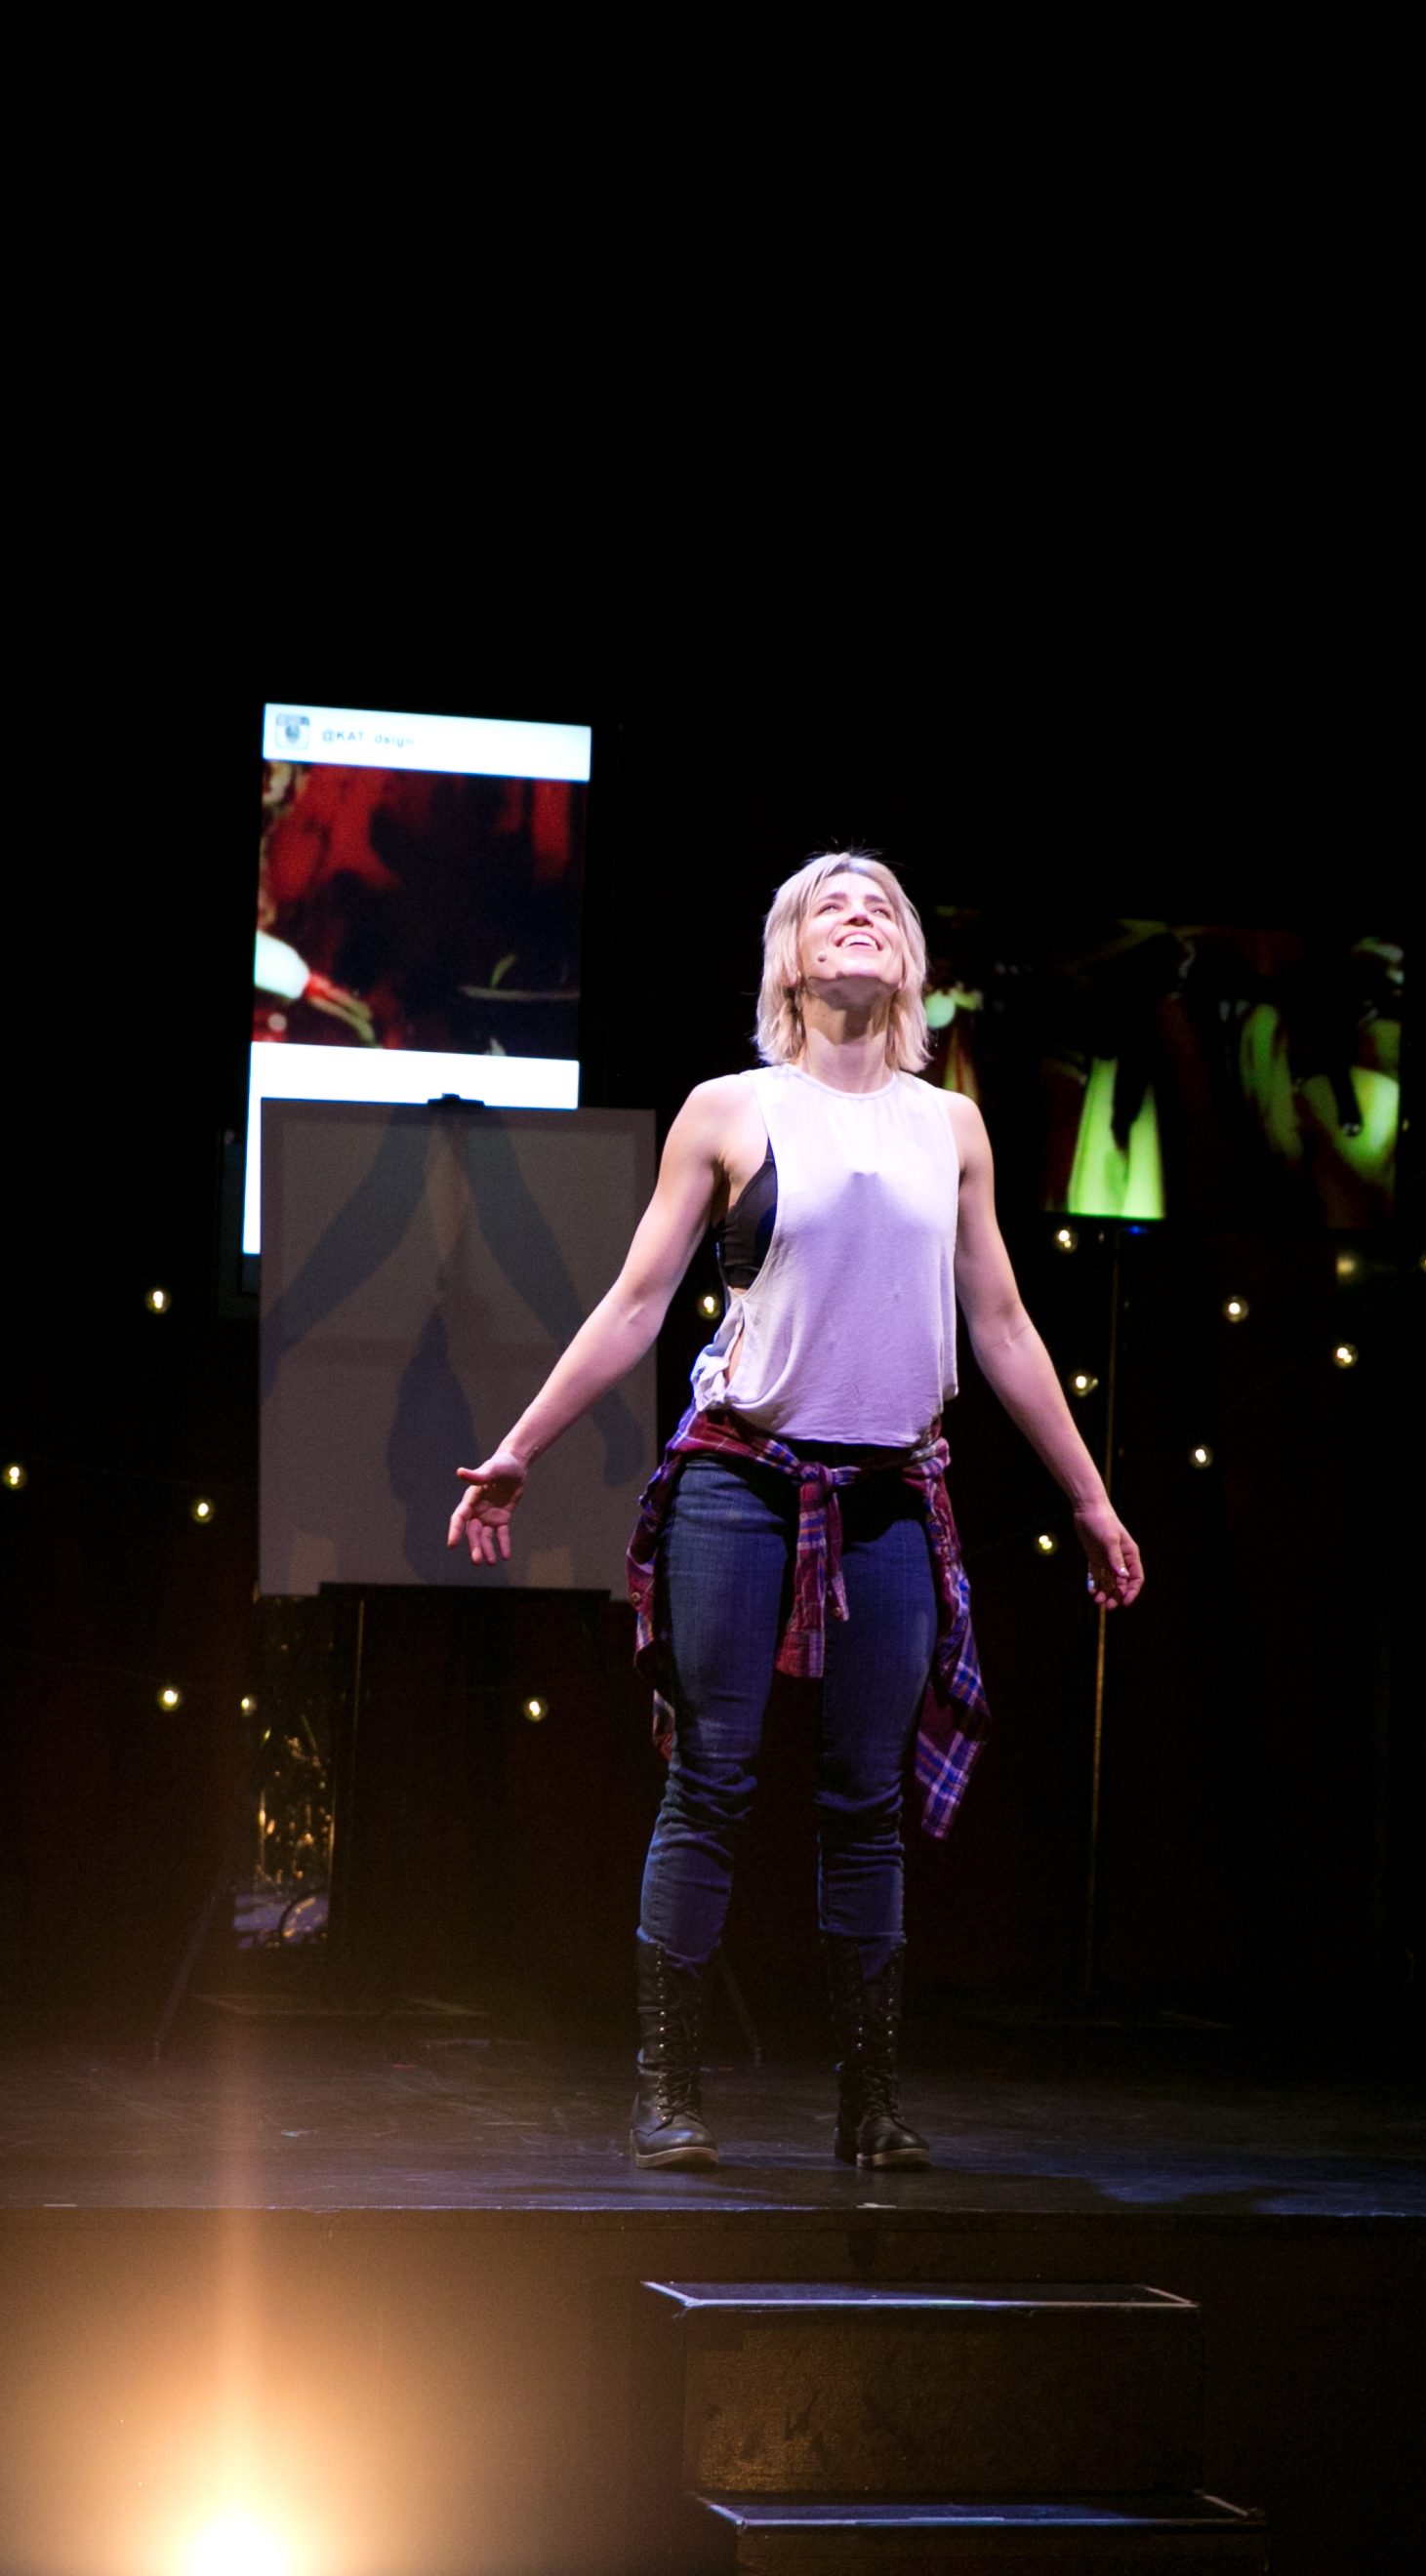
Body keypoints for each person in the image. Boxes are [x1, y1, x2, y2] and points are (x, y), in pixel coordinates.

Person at [446, 852, 1145, 2170]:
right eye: (833, 905)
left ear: (910, 961)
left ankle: (870, 2107)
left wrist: (1092, 1499)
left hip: (888, 1497)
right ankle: (667, 2092)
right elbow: (638, 1304)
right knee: (712, 1776)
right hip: (743, 1482)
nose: (860, 917)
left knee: (864, 1800)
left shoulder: (952, 1127)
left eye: (882, 907)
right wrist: (521, 1446)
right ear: (792, 958)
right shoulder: (732, 1109)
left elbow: (1001, 1324)